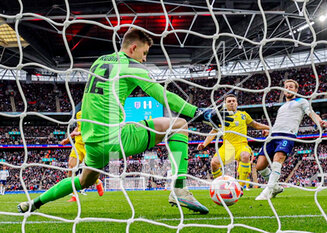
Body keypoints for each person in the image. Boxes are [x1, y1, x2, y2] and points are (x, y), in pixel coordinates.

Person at [18, 28, 230, 215]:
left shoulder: (100, 61)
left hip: (92, 142)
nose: (145, 59)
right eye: (144, 53)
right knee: (180, 125)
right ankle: (179, 188)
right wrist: (200, 112)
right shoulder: (132, 66)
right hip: (114, 138)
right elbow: (162, 95)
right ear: (133, 48)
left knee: (84, 181)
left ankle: (34, 203)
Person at [255, 79, 327, 200]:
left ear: (296, 90)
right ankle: (276, 187)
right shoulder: (281, 107)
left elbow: (311, 113)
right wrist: (270, 131)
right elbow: (280, 122)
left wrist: (319, 122)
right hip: (273, 135)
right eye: (286, 87)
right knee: (260, 166)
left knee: (278, 159)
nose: (288, 88)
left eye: (291, 87)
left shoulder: (302, 101)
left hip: (287, 135)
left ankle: (267, 191)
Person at [197, 94, 270, 188]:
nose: (231, 103)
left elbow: (255, 125)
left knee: (245, 155)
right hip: (227, 147)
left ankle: (240, 187)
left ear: (237, 103)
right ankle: (221, 186)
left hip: (241, 145)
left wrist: (270, 127)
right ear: (225, 104)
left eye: (233, 101)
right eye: (229, 101)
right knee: (214, 163)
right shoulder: (221, 117)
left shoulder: (243, 114)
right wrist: (204, 144)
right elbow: (213, 131)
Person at [59, 111, 104, 202]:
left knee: (90, 170)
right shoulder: (79, 114)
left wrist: (78, 134)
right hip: (78, 145)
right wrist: (68, 139)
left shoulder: (93, 111)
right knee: (71, 168)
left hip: (89, 144)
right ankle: (74, 195)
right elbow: (77, 127)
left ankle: (98, 182)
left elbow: (95, 127)